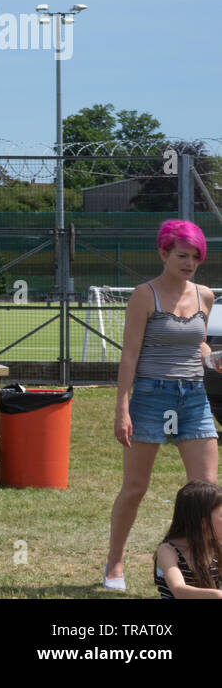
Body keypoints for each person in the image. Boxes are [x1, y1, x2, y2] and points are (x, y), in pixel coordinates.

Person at [104, 219, 216, 590]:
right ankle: (115, 563)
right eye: (182, 255)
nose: (189, 263)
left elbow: (195, 344)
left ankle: (202, 564)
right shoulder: (143, 295)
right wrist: (122, 407)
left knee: (206, 491)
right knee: (135, 487)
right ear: (163, 253)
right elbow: (130, 355)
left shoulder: (205, 296)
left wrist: (212, 357)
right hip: (152, 396)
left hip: (194, 397)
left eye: (195, 257)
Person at [154, 481, 222, 598]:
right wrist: (216, 594)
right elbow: (178, 590)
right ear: (202, 521)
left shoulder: (217, 548)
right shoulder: (168, 550)